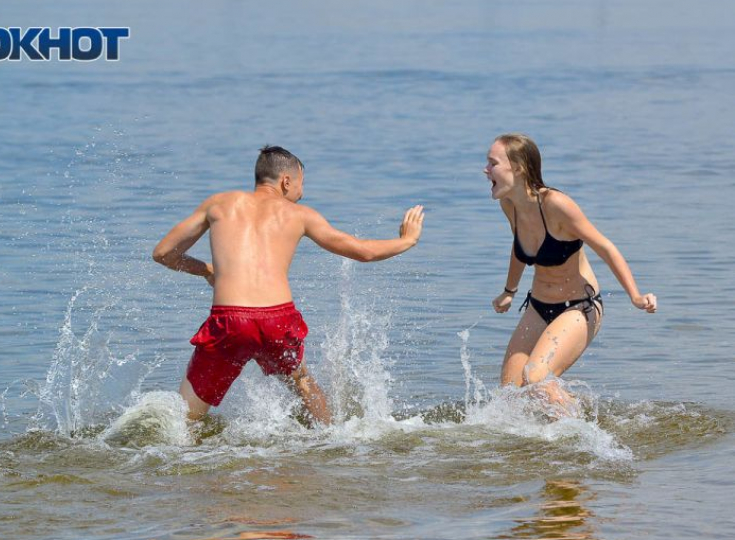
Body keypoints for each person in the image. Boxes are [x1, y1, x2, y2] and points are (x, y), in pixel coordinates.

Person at [153, 146, 424, 426]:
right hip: (276, 320)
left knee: (184, 419)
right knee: (304, 382)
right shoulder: (299, 215)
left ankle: (176, 451)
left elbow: (163, 253)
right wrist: (407, 240)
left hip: (229, 321)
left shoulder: (218, 204)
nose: (301, 193)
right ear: (286, 181)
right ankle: (332, 439)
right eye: (301, 184)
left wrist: (207, 270)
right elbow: (363, 251)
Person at [485, 133, 656, 403]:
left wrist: (635, 296)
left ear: (517, 167)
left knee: (535, 377)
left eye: (492, 163)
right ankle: (552, 431)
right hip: (539, 307)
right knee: (509, 394)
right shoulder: (510, 205)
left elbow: (605, 247)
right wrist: (510, 290)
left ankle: (585, 435)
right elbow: (518, 245)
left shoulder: (556, 205)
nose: (485, 170)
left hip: (578, 307)